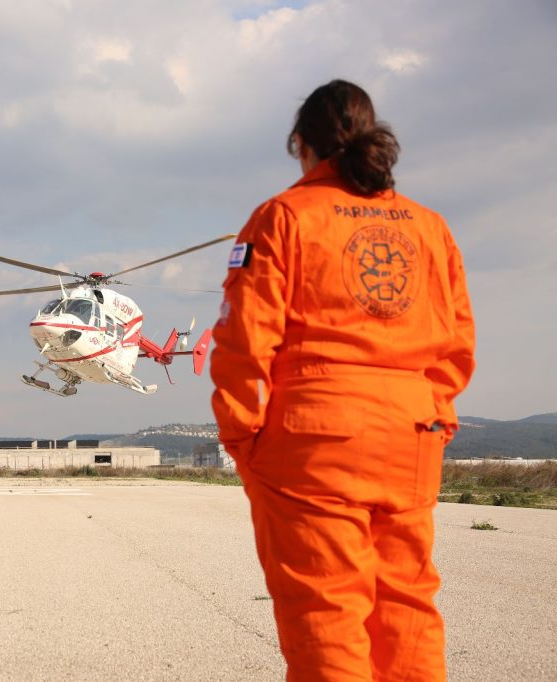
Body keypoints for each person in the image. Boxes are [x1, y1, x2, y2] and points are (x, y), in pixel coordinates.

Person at [210, 79, 475, 681]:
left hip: (313, 441)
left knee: (325, 613)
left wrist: (243, 436)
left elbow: (244, 341)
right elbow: (456, 340)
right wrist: (436, 419)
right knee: (407, 605)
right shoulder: (431, 227)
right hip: (412, 433)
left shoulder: (282, 217)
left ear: (301, 144)